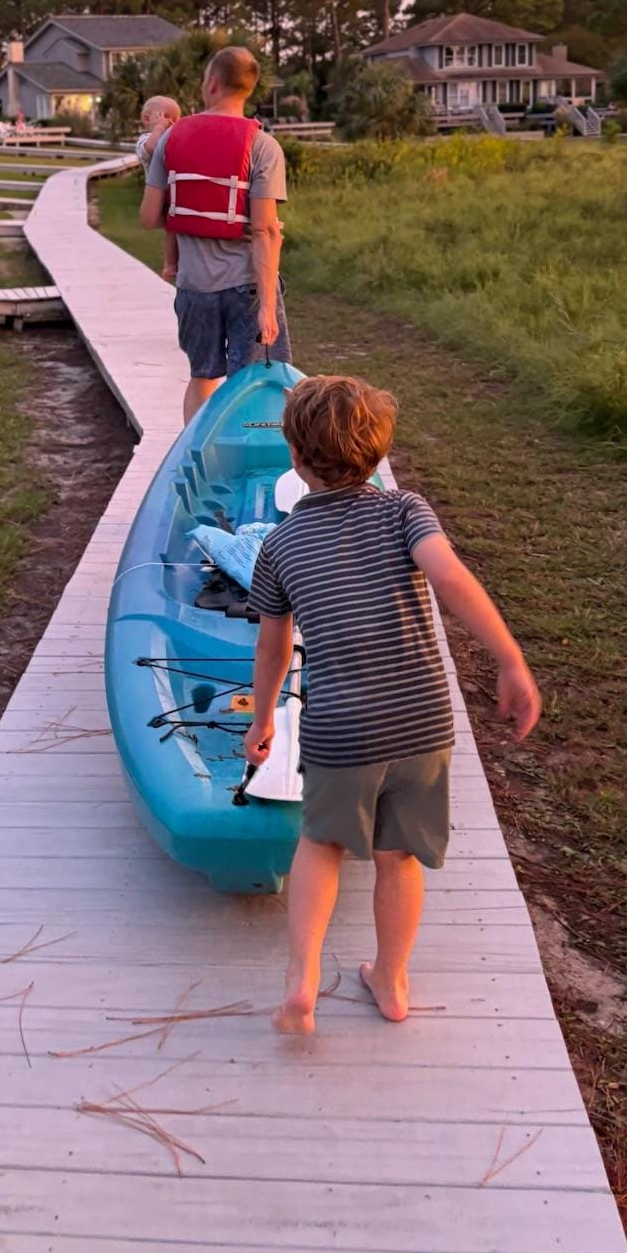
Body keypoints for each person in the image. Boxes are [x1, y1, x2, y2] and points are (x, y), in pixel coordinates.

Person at [242, 374, 542, 1034]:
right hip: (422, 719)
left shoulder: (280, 545)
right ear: (378, 457)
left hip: (341, 727)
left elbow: (273, 647)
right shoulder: (406, 511)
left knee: (320, 843)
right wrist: (509, 660)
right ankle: (392, 981)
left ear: (294, 458)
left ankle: (302, 982)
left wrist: (263, 721)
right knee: (397, 854)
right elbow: (450, 576)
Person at [140, 47, 287, 422]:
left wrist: (193, 215)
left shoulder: (172, 140)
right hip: (247, 288)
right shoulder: (263, 146)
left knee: (202, 378)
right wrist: (268, 307)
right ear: (249, 89)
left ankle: (195, 459)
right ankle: (245, 464)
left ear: (211, 83)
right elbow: (266, 229)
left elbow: (149, 217)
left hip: (194, 285)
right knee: (253, 383)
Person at [134, 95, 182, 284]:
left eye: (177, 119)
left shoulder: (172, 137)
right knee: (171, 228)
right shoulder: (145, 139)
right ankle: (169, 263)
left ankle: (178, 262)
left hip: (175, 191)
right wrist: (160, 128)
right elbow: (153, 148)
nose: (172, 122)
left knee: (176, 227)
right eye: (166, 116)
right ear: (147, 119)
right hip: (158, 193)